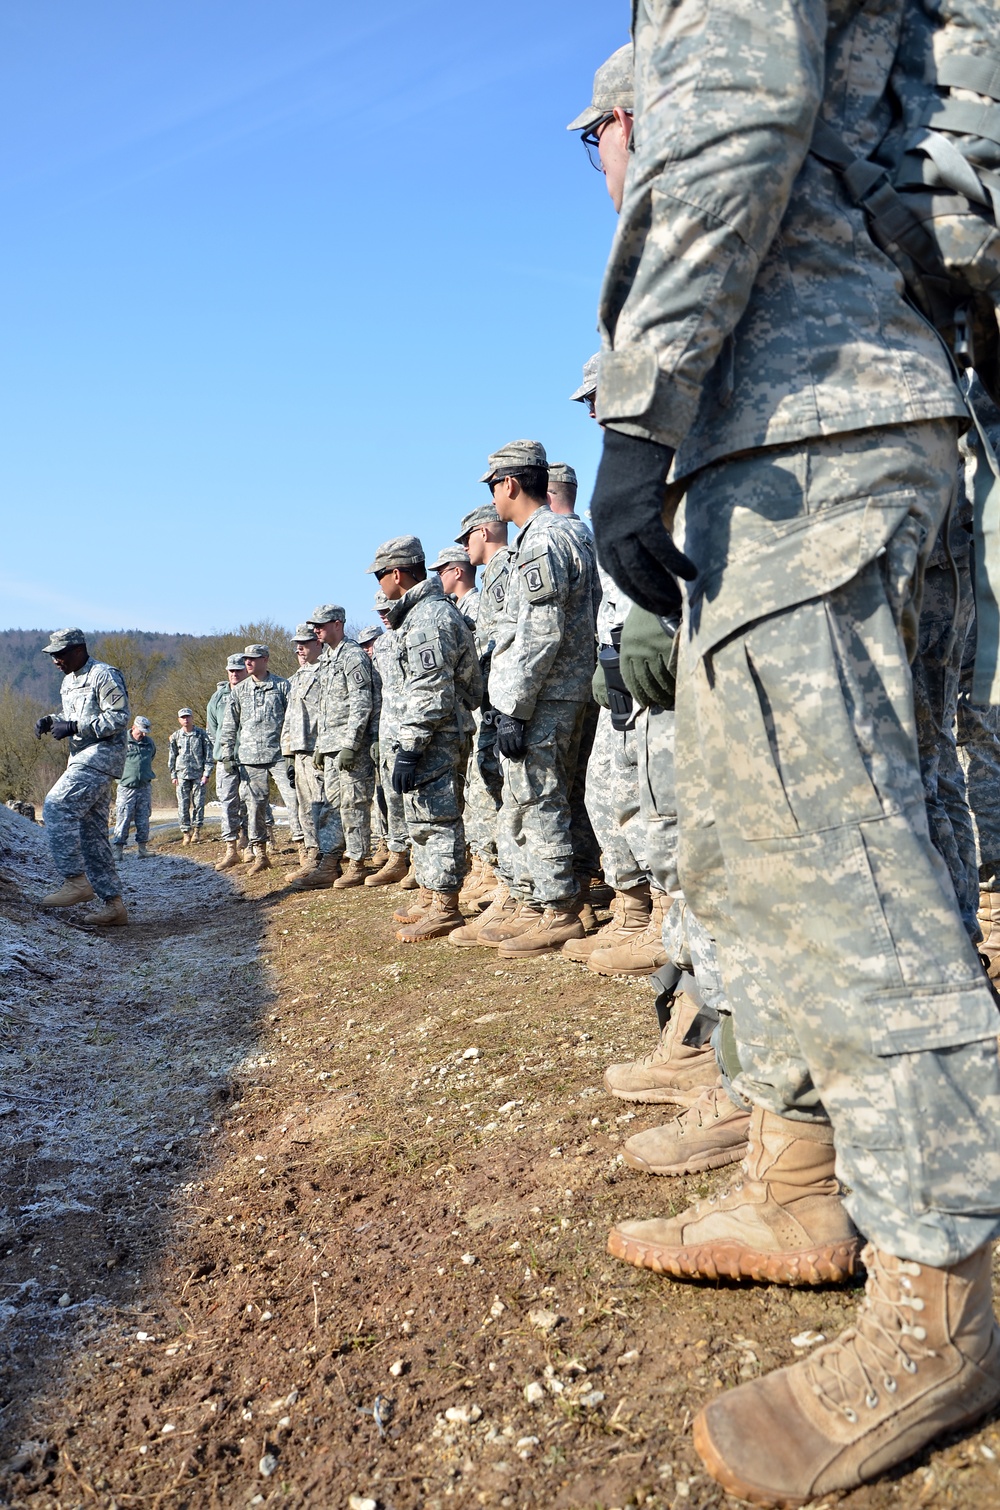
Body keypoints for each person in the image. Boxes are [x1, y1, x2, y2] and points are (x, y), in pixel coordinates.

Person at [589, 6, 1000, 1499]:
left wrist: (644, 399)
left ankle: (941, 1296)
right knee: (862, 853)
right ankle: (816, 1187)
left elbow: (744, 103)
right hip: (869, 404)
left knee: (849, 883)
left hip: (800, 424)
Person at [467, 440, 598, 958]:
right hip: (574, 688)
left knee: (538, 799)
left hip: (547, 692)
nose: (494, 499)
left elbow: (541, 630)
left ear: (511, 485)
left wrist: (515, 704)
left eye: (493, 486)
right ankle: (568, 899)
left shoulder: (541, 541)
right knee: (563, 796)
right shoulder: (574, 532)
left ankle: (559, 911)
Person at [368, 535, 481, 940]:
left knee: (439, 819)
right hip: (421, 734)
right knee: (421, 819)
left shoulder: (429, 618)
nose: (379, 585)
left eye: (380, 576)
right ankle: (433, 894)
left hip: (435, 734)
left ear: (396, 574)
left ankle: (447, 905)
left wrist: (411, 746)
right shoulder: (415, 617)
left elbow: (431, 689)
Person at [34, 627, 130, 926]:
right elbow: (74, 715)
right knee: (92, 836)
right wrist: (54, 720)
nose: (55, 660)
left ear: (78, 649)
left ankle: (76, 882)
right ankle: (114, 906)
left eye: (60, 654)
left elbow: (119, 716)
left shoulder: (103, 674)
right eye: (52, 655)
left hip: (101, 755)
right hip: (81, 758)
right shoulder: (68, 681)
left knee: (56, 806)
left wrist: (75, 728)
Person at [308, 604, 375, 889]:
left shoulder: (353, 656)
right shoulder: (326, 660)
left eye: (321, 625)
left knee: (354, 804)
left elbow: (362, 703)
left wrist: (350, 744)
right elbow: (326, 708)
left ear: (337, 624)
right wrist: (321, 745)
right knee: (331, 806)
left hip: (352, 747)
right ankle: (330, 862)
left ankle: (358, 863)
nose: (316, 630)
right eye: (314, 626)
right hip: (332, 745)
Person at [218, 644, 294, 875]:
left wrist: (292, 753)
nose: (248, 663)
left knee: (294, 801)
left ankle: (305, 850)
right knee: (255, 808)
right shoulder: (239, 690)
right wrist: (227, 754)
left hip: (279, 755)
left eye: (253, 659)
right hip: (250, 759)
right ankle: (260, 853)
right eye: (246, 659)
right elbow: (230, 726)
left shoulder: (282, 686)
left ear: (265, 659)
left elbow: (292, 720)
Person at [281, 624, 339, 889]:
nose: (300, 648)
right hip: (300, 749)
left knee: (320, 806)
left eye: (304, 642)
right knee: (305, 807)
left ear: (318, 642)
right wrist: (288, 752)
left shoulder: (327, 670)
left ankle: (327, 860)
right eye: (297, 644)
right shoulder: (298, 676)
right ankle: (312, 856)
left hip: (318, 748)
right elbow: (289, 718)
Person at [364, 598, 413, 888]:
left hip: (413, 730)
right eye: (379, 612)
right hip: (388, 732)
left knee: (414, 800)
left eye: (387, 610)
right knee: (391, 799)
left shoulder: (414, 634)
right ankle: (398, 855)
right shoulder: (382, 647)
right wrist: (377, 736)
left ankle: (418, 859)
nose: (383, 615)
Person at [207, 653, 250, 872]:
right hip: (225, 757)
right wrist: (225, 750)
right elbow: (213, 728)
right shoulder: (218, 697)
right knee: (228, 802)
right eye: (231, 670)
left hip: (251, 755)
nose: (234, 674)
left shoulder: (253, 691)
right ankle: (230, 849)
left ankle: (251, 843)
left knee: (251, 801)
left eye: (238, 670)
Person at [356, 622, 391, 872]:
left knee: (391, 793)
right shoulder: (367, 668)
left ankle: (396, 843)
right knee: (378, 794)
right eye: (364, 646)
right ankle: (384, 841)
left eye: (371, 643)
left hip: (390, 734)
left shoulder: (387, 662)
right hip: (371, 737)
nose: (368, 649)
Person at [112, 716, 156, 860]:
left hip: (144, 787)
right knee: (123, 817)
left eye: (145, 732)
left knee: (143, 818)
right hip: (126, 787)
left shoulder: (149, 743)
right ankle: (118, 851)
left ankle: (142, 849)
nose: (143, 734)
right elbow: (113, 759)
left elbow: (151, 757)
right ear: (133, 727)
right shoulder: (121, 741)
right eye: (141, 731)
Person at [168, 708, 214, 845]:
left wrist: (207, 773)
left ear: (192, 718)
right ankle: (186, 833)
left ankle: (197, 831)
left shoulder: (201, 735)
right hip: (181, 775)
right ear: (179, 720)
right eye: (183, 717)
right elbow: (172, 756)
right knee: (183, 805)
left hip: (198, 775)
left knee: (198, 804)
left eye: (188, 717)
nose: (185, 719)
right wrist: (173, 775)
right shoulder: (176, 736)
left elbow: (208, 755)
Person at [429, 545, 479, 624]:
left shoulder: (476, 607)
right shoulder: (456, 606)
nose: (438, 578)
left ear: (457, 572)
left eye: (440, 573)